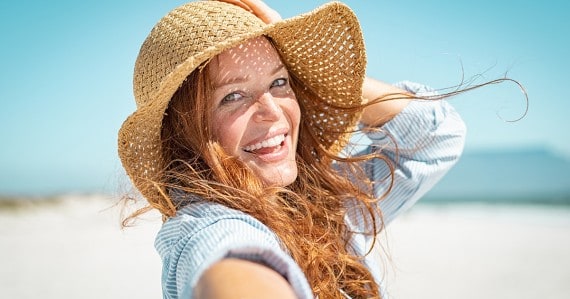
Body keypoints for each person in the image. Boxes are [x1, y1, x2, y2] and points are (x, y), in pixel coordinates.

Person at [117, 0, 466, 298]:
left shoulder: (320, 205)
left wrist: (309, 68)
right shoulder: (205, 226)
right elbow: (233, 264)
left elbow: (437, 137)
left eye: (279, 81)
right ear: (184, 131)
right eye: (232, 96)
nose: (272, 110)